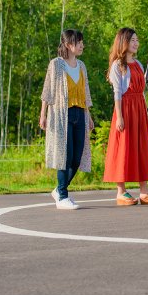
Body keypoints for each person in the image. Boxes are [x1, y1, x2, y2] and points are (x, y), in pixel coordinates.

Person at [103, 28, 148, 206]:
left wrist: (146, 114)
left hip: (138, 110)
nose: (136, 43)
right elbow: (117, 93)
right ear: (124, 42)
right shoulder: (118, 66)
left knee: (141, 147)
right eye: (133, 40)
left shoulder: (138, 64)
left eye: (137, 40)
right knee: (123, 148)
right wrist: (120, 117)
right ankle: (121, 192)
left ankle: (144, 191)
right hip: (125, 110)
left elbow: (142, 93)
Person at [40, 29, 94, 210]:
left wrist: (89, 116)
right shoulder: (56, 64)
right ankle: (63, 196)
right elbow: (47, 91)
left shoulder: (82, 66)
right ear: (69, 44)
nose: (82, 45)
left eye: (82, 42)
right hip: (62, 115)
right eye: (79, 42)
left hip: (80, 114)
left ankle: (58, 189)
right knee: (65, 155)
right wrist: (43, 114)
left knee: (77, 158)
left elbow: (86, 93)